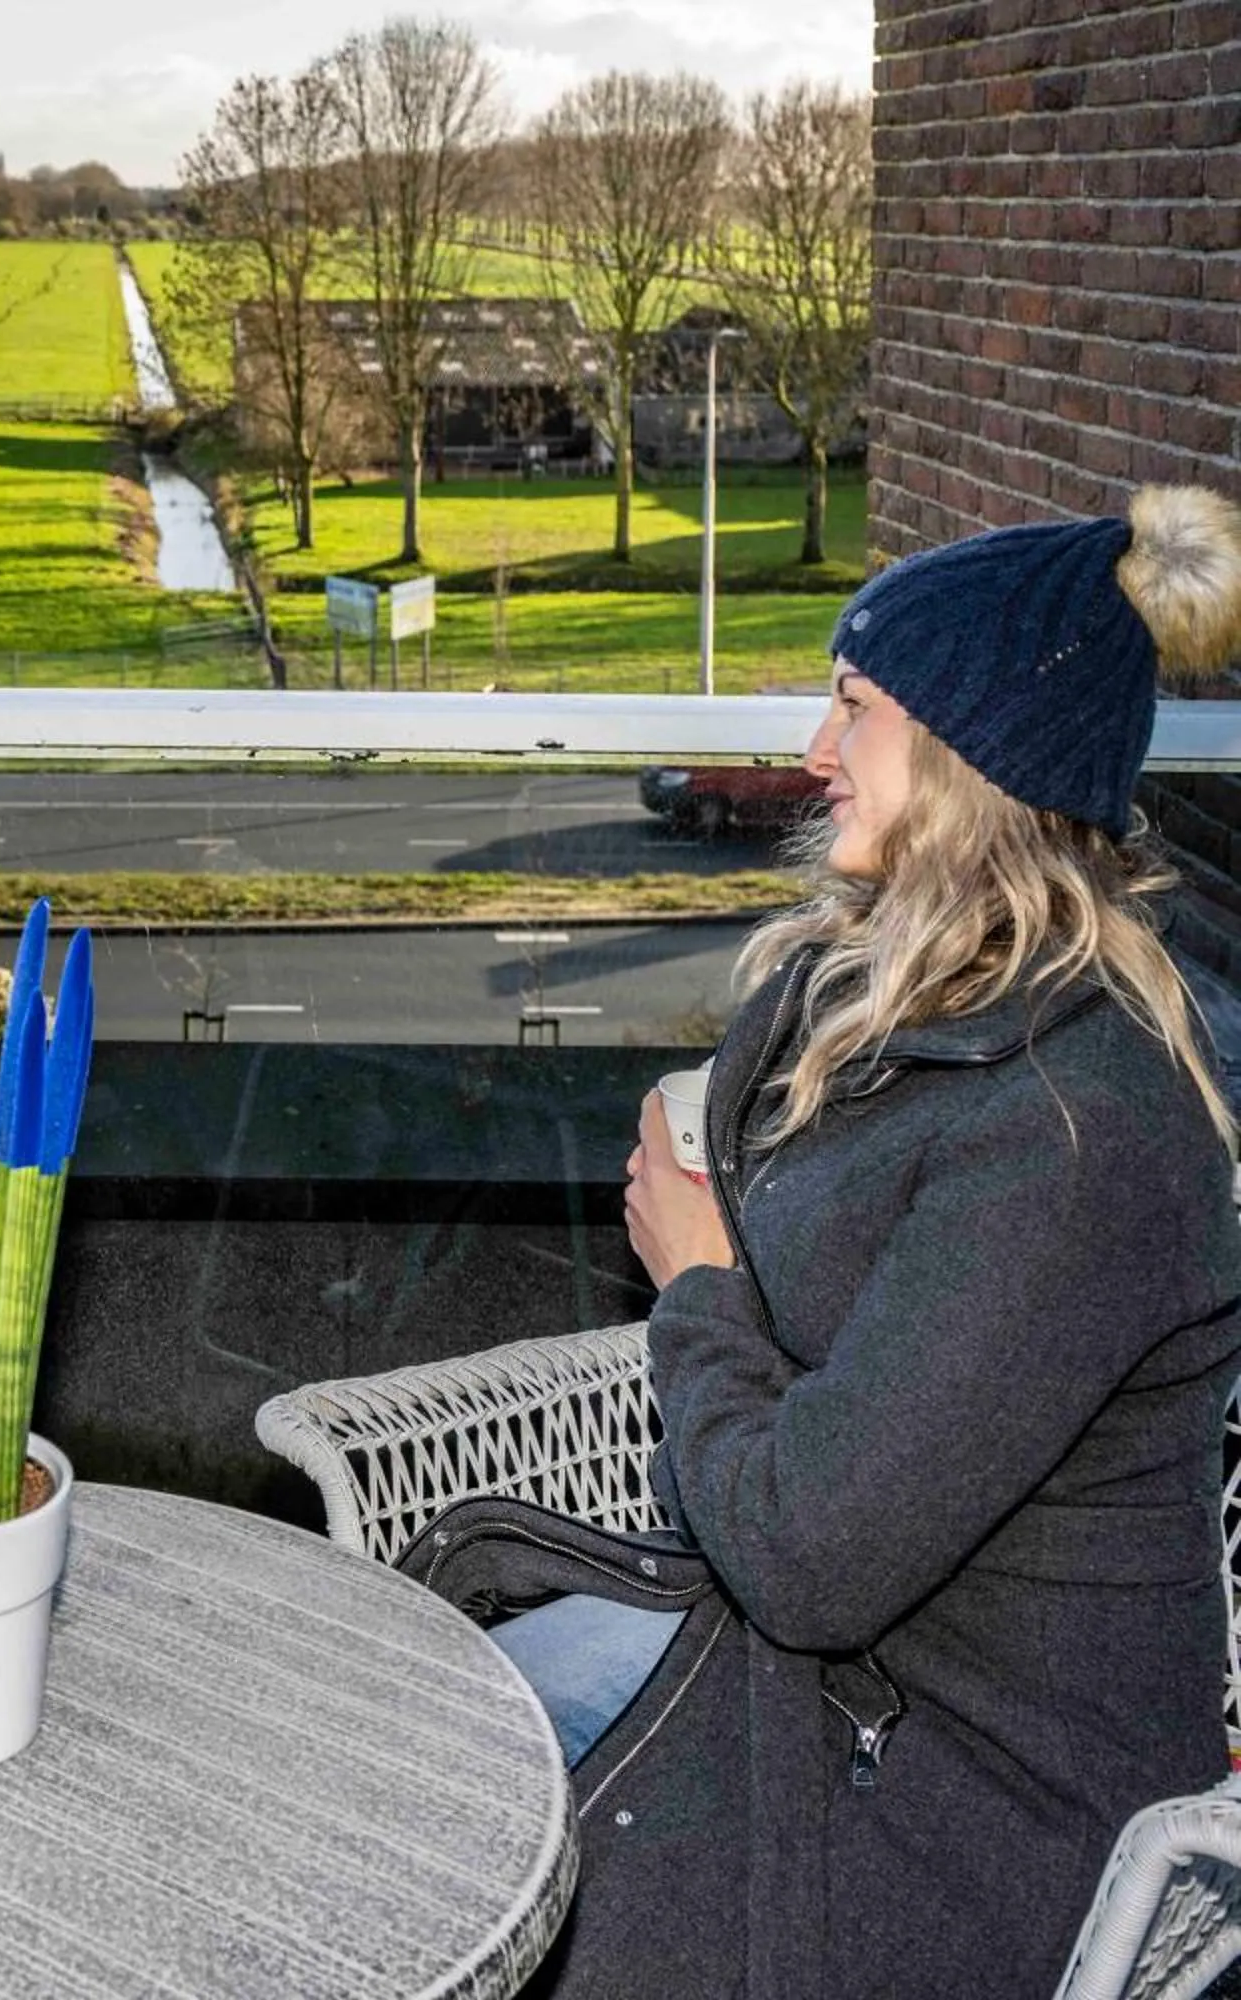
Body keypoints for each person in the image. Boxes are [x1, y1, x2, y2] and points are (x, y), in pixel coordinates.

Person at [480, 484, 1241, 1997]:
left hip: (967, 1805)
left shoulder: (1088, 1133)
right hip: (796, 1677)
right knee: (425, 1725)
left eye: (853, 712)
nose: (815, 756)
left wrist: (693, 1273)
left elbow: (812, 1558)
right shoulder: (874, 991)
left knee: (456, 1819)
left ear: (970, 761)